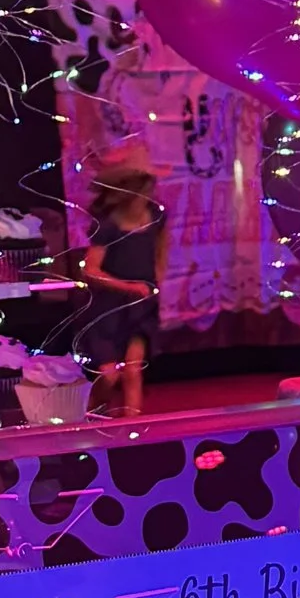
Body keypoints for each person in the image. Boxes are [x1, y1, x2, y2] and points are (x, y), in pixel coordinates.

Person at [76, 144, 166, 413]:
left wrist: (155, 284)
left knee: (133, 371)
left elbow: (161, 250)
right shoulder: (107, 225)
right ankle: (92, 413)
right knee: (111, 375)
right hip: (107, 309)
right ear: (130, 191)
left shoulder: (157, 215)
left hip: (141, 307)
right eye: (145, 187)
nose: (150, 192)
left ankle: (132, 432)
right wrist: (127, 287)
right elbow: (90, 270)